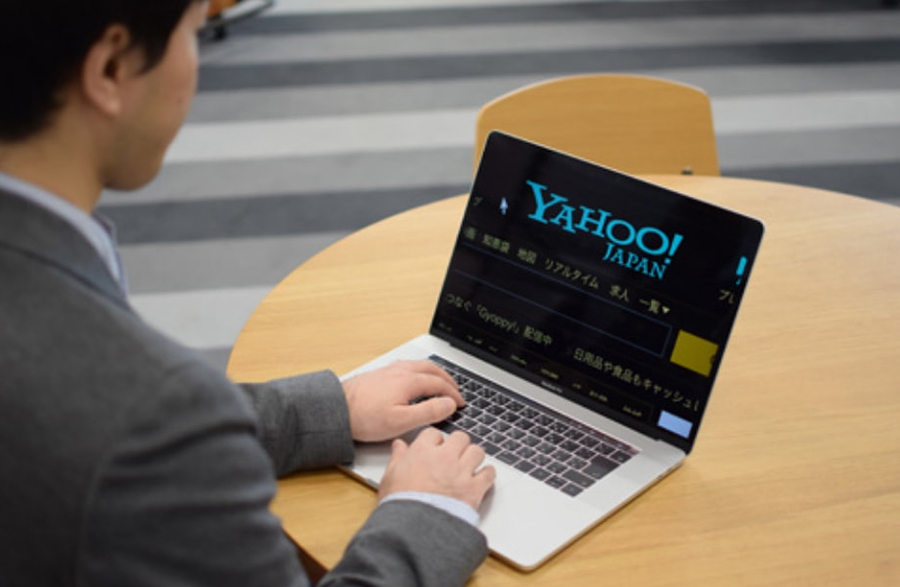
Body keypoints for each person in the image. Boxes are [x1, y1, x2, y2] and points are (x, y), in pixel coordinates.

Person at [0, 2, 495, 586]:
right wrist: (425, 514)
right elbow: (129, 427)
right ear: (110, 68)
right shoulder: (154, 411)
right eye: (193, 31)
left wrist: (325, 411)